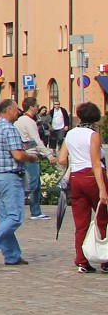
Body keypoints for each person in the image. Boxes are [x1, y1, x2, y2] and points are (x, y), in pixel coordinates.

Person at [0, 99, 39, 266]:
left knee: (5, 218)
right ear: (9, 110)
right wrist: (31, 157)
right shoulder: (9, 129)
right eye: (16, 109)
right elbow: (18, 155)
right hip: (9, 177)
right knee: (15, 217)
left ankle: (12, 255)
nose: (18, 112)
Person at [57, 102, 108, 273]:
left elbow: (62, 159)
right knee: (102, 218)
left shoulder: (70, 134)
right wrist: (102, 189)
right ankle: (104, 259)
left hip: (76, 178)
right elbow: (95, 163)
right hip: (91, 177)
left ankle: (82, 260)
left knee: (81, 222)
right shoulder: (93, 135)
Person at [16, 97, 53, 219]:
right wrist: (48, 154)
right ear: (31, 107)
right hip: (31, 155)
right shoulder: (29, 122)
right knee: (32, 184)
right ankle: (28, 210)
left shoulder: (18, 121)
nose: (38, 108)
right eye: (36, 105)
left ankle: (34, 210)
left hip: (22, 154)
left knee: (32, 184)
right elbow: (36, 140)